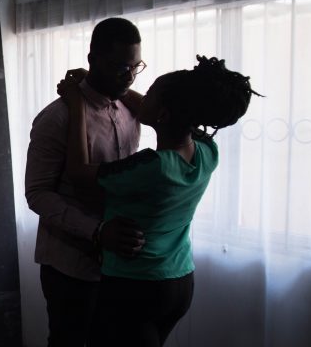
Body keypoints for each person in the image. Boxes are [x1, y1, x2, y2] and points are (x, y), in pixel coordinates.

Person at [59, 56, 260, 346]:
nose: (143, 97)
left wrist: (78, 102)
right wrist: (110, 87)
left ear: (163, 114)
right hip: (179, 282)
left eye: (150, 93)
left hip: (135, 287)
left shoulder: (152, 167)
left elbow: (79, 172)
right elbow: (167, 110)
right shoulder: (208, 151)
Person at [24, 17, 147, 346]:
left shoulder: (131, 109)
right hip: (71, 266)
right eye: (120, 67)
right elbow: (37, 194)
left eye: (136, 67)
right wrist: (97, 232)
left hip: (120, 264)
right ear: (93, 59)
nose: (129, 76)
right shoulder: (57, 117)